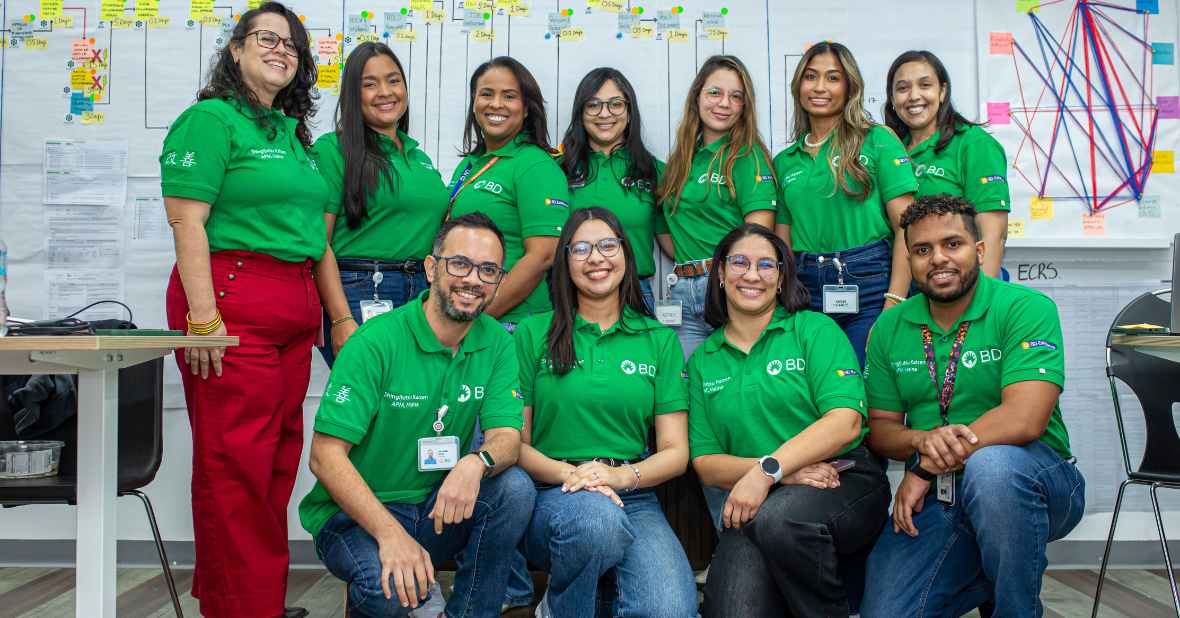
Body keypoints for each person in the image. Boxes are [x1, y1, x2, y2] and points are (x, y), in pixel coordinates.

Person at [160, 3, 323, 617]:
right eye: (267, 39)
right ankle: (243, 608)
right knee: (236, 467)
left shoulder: (287, 133)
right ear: (236, 49)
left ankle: (252, 599)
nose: (281, 50)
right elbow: (187, 220)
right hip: (232, 309)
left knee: (277, 463)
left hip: (292, 313)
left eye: (292, 45)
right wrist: (204, 319)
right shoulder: (210, 120)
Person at [299, 212, 536, 618]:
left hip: (433, 504)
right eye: (459, 264)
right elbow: (324, 457)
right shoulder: (375, 342)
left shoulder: (496, 341)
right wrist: (390, 534)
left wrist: (475, 463)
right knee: (389, 592)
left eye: (488, 270)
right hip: (356, 515)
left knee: (514, 488)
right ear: (430, 268)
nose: (473, 280)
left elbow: (508, 438)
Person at [860, 194, 1084, 618]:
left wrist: (926, 465)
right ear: (908, 259)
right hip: (943, 497)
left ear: (979, 251)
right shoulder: (889, 325)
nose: (938, 259)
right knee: (887, 612)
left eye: (952, 244)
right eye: (922, 250)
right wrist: (920, 439)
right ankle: (986, 575)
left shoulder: (1025, 307)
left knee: (993, 468)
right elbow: (881, 429)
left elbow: (1025, 419)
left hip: (1034, 479)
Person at [689, 223, 889, 618]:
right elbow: (707, 465)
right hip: (757, 496)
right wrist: (776, 474)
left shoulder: (814, 330)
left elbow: (846, 421)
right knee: (730, 611)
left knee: (783, 519)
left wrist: (771, 470)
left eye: (767, 265)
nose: (752, 274)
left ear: (781, 279)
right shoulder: (701, 361)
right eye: (739, 263)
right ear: (719, 273)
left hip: (843, 478)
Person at [511, 207, 698, 617]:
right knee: (595, 522)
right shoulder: (530, 334)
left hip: (632, 493)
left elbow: (675, 452)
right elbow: (512, 445)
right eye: (580, 249)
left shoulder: (659, 340)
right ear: (564, 263)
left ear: (626, 257)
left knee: (669, 611)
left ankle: (586, 593)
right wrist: (574, 476)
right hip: (551, 493)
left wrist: (618, 476)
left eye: (607, 245)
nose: (596, 258)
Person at [774, 41, 918, 368]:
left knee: (859, 384)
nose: (820, 87)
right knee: (814, 386)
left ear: (850, 86)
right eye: (811, 76)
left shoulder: (878, 140)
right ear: (798, 85)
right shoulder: (784, 161)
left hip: (871, 284)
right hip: (805, 287)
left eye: (832, 77)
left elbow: (907, 229)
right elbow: (781, 243)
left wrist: (894, 302)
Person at [311, 42, 448, 366]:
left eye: (393, 80)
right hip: (361, 290)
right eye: (369, 84)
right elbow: (319, 243)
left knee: (411, 404)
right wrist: (340, 318)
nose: (385, 92)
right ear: (352, 95)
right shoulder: (333, 150)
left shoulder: (420, 157)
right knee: (376, 407)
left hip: (423, 293)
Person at [657, 54, 777, 359]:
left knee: (734, 387)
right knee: (687, 392)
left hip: (730, 287)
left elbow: (759, 240)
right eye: (715, 92)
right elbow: (669, 232)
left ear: (744, 107)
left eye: (735, 96)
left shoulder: (748, 157)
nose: (724, 103)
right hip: (682, 293)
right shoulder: (679, 161)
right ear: (696, 97)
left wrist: (716, 271)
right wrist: (694, 267)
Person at [447, 56, 570, 331]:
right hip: (466, 314)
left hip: (508, 323)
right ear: (474, 103)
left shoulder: (535, 165)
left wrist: (480, 319)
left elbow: (542, 258)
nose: (496, 104)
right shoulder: (470, 163)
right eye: (486, 94)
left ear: (526, 108)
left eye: (509, 96)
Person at [885, 50, 1010, 278]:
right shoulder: (890, 150)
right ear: (893, 99)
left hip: (959, 281)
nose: (913, 96)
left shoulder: (973, 144)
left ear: (942, 91)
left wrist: (979, 302)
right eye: (903, 88)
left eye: (925, 85)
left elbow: (994, 234)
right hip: (908, 284)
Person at [559, 68, 665, 309]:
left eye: (616, 104)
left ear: (629, 113)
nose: (604, 113)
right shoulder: (556, 171)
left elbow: (674, 242)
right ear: (581, 115)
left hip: (635, 295)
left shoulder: (655, 172)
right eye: (593, 105)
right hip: (567, 296)